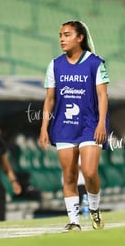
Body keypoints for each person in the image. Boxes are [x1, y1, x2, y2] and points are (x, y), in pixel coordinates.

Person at [38, 20, 109, 232]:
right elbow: (49, 98)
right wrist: (43, 127)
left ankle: (94, 209)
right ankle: (74, 221)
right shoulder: (55, 65)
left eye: (67, 35)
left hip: (89, 125)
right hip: (64, 127)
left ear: (80, 38)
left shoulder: (95, 63)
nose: (62, 39)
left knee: (88, 172)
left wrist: (102, 124)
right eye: (60, 35)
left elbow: (102, 96)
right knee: (69, 174)